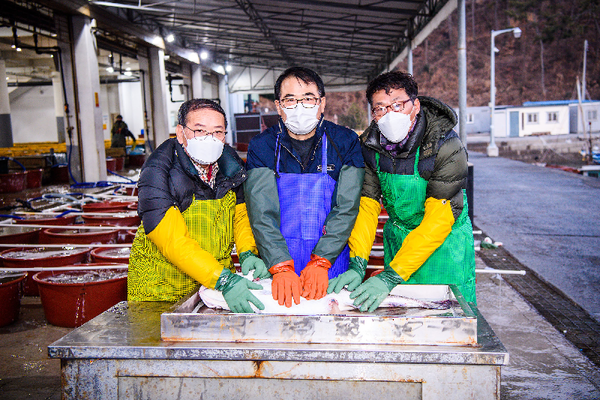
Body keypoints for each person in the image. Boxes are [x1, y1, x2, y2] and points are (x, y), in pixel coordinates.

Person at [332, 71, 476, 311]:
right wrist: (358, 263)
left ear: (415, 105)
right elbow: (367, 207)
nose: (390, 114)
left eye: (397, 104)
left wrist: (390, 277)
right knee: (403, 319)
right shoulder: (370, 147)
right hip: (399, 244)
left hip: (446, 248)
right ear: (373, 114)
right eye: (380, 108)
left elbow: (438, 220)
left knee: (448, 318)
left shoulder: (446, 146)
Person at [127, 99, 266, 313]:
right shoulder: (157, 171)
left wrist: (248, 252)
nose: (209, 139)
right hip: (161, 291)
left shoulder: (232, 166)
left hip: (214, 286)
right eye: (199, 130)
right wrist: (224, 280)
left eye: (218, 132)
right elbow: (173, 241)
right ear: (181, 133)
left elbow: (240, 217)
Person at [244, 67, 365, 308]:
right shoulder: (262, 146)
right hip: (276, 266)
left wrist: (321, 261)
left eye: (308, 98)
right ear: (279, 106)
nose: (300, 106)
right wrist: (279, 265)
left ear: (322, 103)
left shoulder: (345, 141)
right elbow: (261, 213)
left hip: (330, 263)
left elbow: (346, 206)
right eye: (290, 100)